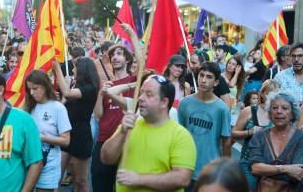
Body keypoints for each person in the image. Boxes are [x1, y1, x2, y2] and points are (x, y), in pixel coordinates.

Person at [101, 74, 197, 192]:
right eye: (141, 92)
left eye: (149, 94)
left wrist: (139, 179)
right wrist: (122, 132)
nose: (140, 98)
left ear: (164, 102)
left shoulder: (181, 136)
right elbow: (106, 158)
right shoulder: (129, 126)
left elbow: (182, 179)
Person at [92, 24, 142, 192]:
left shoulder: (136, 80)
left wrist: (132, 36)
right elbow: (98, 116)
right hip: (104, 140)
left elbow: (143, 64)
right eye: (112, 55)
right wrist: (101, 93)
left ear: (128, 59)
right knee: (101, 186)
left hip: (128, 141)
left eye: (119, 54)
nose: (115, 57)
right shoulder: (106, 84)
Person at [178, 62, 232, 191]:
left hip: (209, 170)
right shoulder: (185, 103)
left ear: (216, 82)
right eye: (201, 75)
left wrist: (226, 172)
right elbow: (178, 135)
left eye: (209, 77)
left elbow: (226, 141)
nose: (203, 80)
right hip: (184, 167)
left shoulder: (222, 109)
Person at [53, 58, 100, 192]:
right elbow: (64, 100)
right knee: (56, 176)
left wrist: (57, 69)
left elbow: (67, 93)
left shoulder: (90, 89)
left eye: (75, 67)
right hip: (66, 133)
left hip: (81, 136)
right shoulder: (74, 85)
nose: (73, 70)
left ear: (82, 70)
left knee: (80, 181)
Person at [249, 92, 303, 192]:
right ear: (270, 112)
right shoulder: (259, 136)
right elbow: (255, 169)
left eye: (285, 108)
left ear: (293, 113)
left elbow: (298, 174)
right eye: (274, 108)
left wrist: (266, 171)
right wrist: (286, 169)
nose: (279, 111)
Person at [24, 70, 72, 192]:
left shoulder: (58, 108)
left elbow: (66, 141)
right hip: (28, 161)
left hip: (48, 163)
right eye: (29, 89)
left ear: (45, 86)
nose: (32, 92)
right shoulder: (28, 107)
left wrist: (41, 137)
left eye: (35, 88)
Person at [232, 79, 280, 190]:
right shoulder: (249, 111)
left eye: (276, 93)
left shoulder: (278, 114)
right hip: (248, 163)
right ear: (262, 93)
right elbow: (233, 133)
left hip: (270, 166)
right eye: (269, 93)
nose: (272, 96)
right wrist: (249, 132)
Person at [222, 56, 245, 125]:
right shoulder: (222, 76)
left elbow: (237, 97)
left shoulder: (238, 80)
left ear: (237, 67)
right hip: (223, 110)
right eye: (229, 63)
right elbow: (231, 85)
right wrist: (237, 73)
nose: (230, 66)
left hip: (233, 112)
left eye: (233, 64)